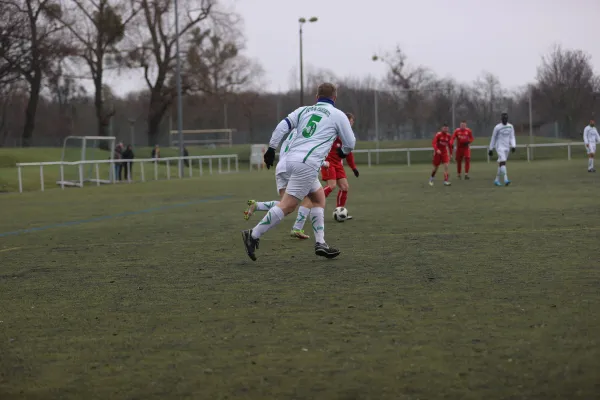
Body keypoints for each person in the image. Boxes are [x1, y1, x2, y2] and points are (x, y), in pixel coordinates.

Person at [241, 83, 356, 261]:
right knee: (288, 206)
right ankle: (253, 235)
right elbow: (350, 142)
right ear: (334, 98)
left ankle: (321, 243)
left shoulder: (303, 110)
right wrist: (343, 152)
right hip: (307, 164)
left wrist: (271, 148)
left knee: (318, 198)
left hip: (288, 160)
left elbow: (282, 126)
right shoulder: (338, 115)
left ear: (316, 97)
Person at [488, 112, 516, 186]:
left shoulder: (510, 126)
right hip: (499, 147)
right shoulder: (497, 127)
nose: (505, 120)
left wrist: (513, 145)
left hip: (507, 147)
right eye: (503, 118)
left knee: (501, 164)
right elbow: (493, 138)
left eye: (506, 118)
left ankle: (496, 180)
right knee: (503, 162)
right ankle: (506, 179)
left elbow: (512, 137)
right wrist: (490, 148)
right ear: (501, 119)